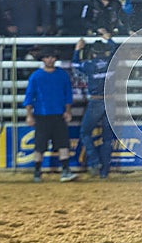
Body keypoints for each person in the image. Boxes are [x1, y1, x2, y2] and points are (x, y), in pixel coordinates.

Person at [23, 47, 78, 183]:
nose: (50, 60)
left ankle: (65, 170)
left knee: (63, 143)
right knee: (40, 145)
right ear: (43, 59)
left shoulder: (62, 75)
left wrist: (68, 111)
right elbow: (29, 96)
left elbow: (68, 95)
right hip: (42, 114)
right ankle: (37, 171)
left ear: (55, 58)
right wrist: (29, 115)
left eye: (52, 57)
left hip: (58, 114)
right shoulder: (36, 76)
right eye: (47, 57)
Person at [72, 30, 117, 178]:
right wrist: (109, 38)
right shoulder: (111, 61)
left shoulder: (90, 65)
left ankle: (94, 162)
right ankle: (104, 170)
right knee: (107, 138)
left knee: (85, 132)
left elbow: (75, 64)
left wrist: (78, 49)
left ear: (92, 53)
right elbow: (118, 50)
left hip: (96, 101)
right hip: (110, 101)